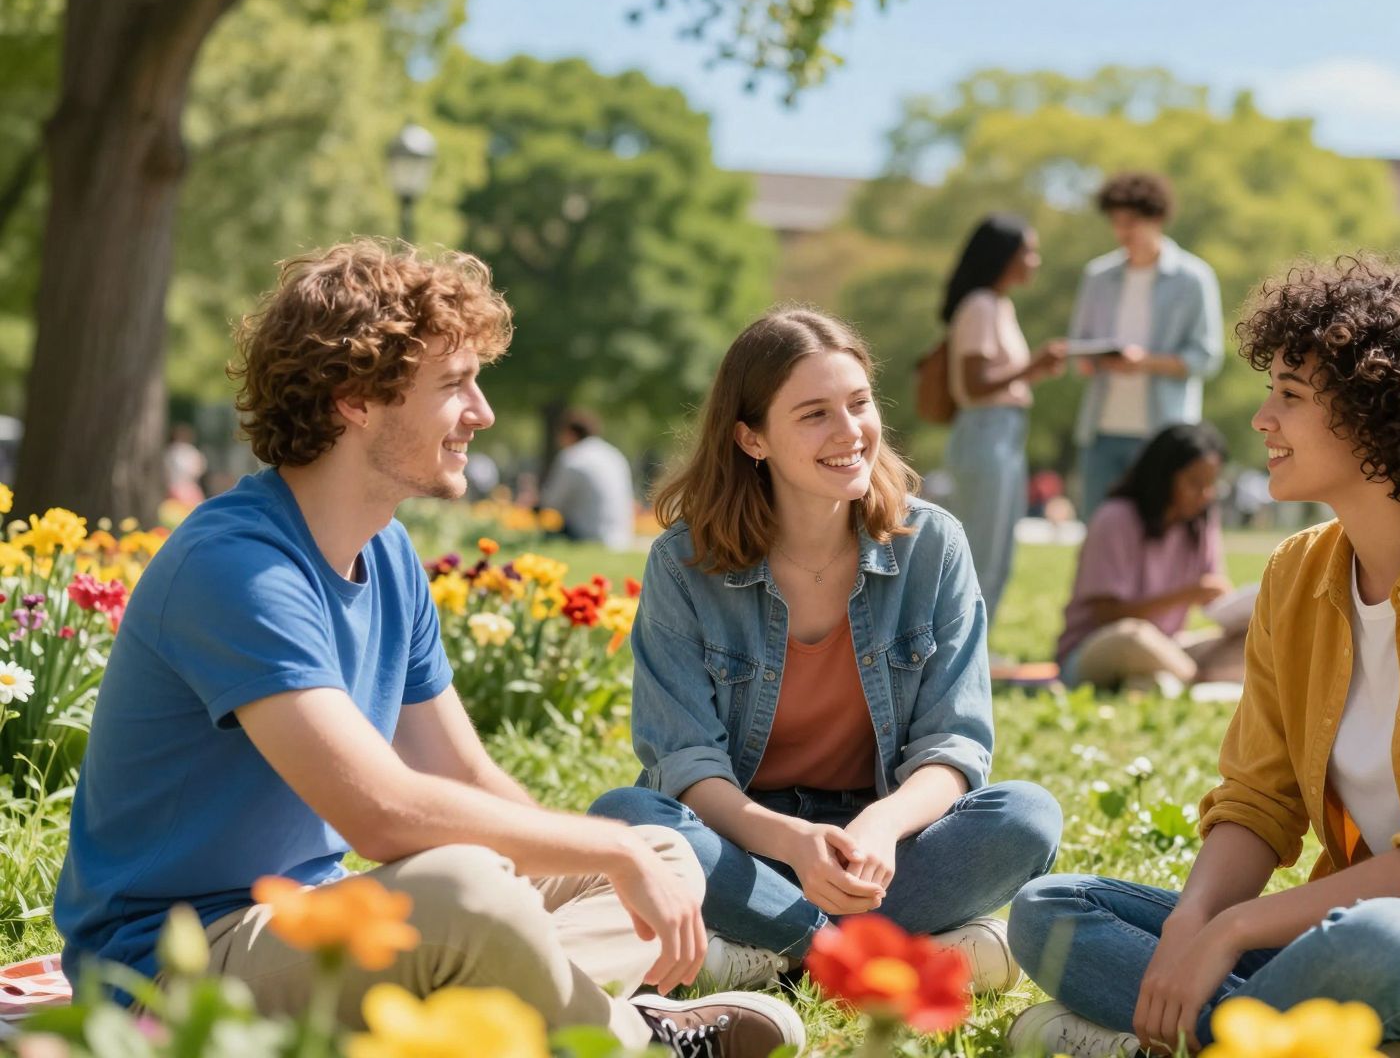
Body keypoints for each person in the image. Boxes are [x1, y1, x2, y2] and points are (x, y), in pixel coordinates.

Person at [54, 241, 798, 1058]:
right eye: (454, 385)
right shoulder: (238, 567)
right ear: (355, 399)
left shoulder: (387, 554)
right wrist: (603, 851)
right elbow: (379, 814)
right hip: (171, 969)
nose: (481, 412)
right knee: (476, 890)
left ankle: (515, 1016)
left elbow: (464, 778)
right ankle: (640, 1042)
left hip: (319, 920)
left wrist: (621, 857)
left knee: (663, 854)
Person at [1008, 254, 1400, 1056]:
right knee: (1054, 910)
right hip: (1347, 935)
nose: (1261, 419)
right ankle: (1294, 1037)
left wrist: (1236, 930)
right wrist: (1194, 922)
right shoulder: (1296, 572)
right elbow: (1257, 802)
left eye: (1291, 395)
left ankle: (1189, 1039)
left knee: (1377, 944)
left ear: (1377, 414)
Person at [586, 307, 1063, 996]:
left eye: (859, 404)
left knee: (1026, 815)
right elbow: (684, 764)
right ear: (752, 438)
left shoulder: (932, 546)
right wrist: (791, 841)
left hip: (882, 850)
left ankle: (775, 949)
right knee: (625, 819)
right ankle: (860, 953)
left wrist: (879, 827)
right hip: (743, 847)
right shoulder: (684, 565)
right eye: (814, 414)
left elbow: (954, 746)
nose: (850, 432)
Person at [1067, 171, 1223, 519]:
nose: (1122, 232)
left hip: (1163, 435)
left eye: (1131, 222)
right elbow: (1079, 347)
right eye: (1116, 222)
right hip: (1101, 432)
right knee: (1099, 532)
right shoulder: (1097, 276)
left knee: (1158, 532)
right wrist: (1092, 359)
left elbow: (1206, 358)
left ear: (1157, 218)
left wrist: (1145, 362)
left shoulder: (1193, 278)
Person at [1055, 423, 1247, 691]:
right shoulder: (1115, 518)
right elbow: (1106, 616)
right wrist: (1187, 594)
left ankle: (1162, 682)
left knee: (1255, 639)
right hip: (1102, 646)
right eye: (1194, 483)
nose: (1205, 495)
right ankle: (1197, 681)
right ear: (1164, 477)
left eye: (1211, 484)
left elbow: (1212, 595)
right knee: (1134, 637)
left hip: (1169, 647)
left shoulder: (1201, 522)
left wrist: (1236, 611)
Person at [941, 213, 1067, 622]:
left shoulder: (999, 305)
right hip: (985, 430)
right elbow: (974, 384)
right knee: (981, 552)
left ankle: (979, 640)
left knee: (998, 552)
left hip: (1005, 432)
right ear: (1004, 256)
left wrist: (1031, 372)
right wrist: (1032, 366)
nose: (1035, 261)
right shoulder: (979, 306)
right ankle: (961, 643)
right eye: (1028, 251)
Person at [541, 408, 638, 550]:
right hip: (622, 537)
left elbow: (551, 502)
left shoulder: (572, 457)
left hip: (587, 535)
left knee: (546, 533)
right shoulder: (613, 454)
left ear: (569, 433)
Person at [164, 422, 208, 509]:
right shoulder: (187, 451)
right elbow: (199, 468)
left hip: (179, 486)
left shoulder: (171, 451)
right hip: (183, 486)